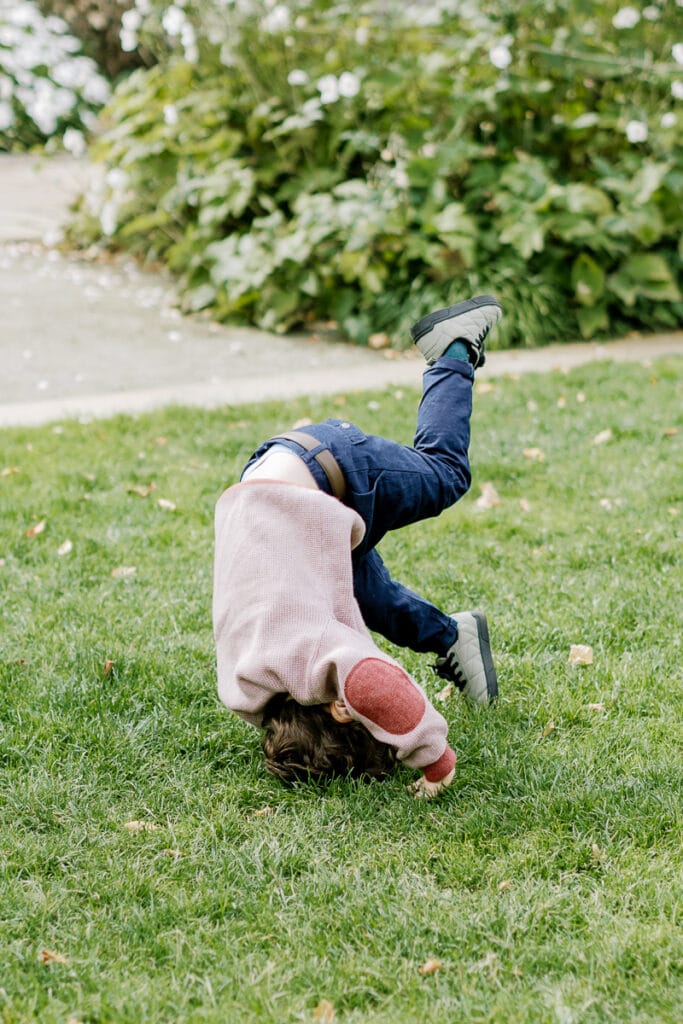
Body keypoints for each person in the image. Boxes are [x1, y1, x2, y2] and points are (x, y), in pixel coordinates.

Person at [213, 295, 502, 798]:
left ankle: (452, 347)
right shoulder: (246, 688)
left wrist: (436, 761)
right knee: (366, 596)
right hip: (271, 498)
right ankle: (452, 636)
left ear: (340, 708)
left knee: (445, 474)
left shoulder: (313, 660)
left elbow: (376, 683)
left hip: (332, 469)